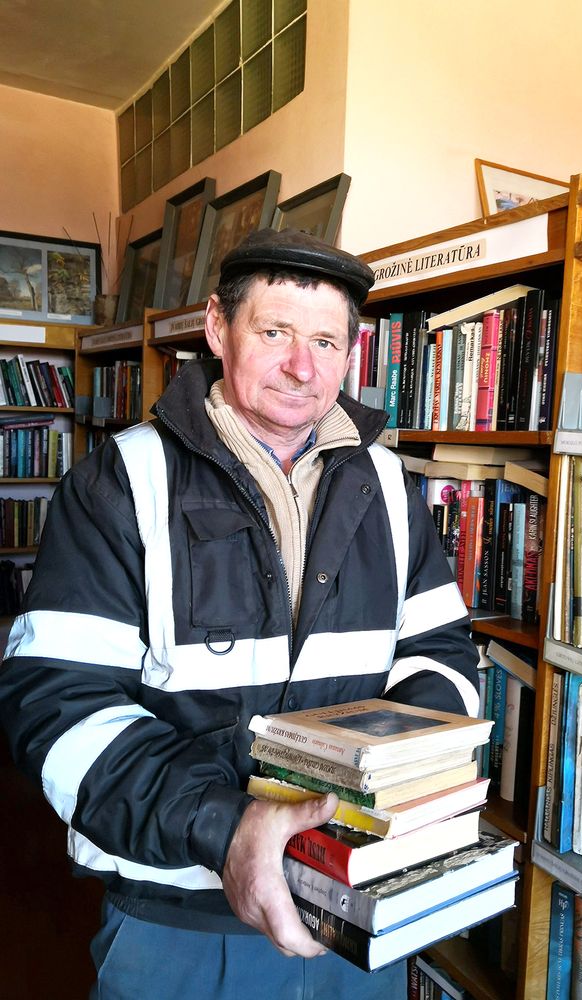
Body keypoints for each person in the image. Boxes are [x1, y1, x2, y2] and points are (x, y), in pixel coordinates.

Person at [0, 228, 480, 999]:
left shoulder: (392, 486)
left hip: (354, 907)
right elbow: (55, 703)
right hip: (175, 920)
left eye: (325, 341)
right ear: (218, 329)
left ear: (350, 355)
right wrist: (227, 828)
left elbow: (442, 653)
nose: (301, 366)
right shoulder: (118, 481)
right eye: (275, 331)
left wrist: (392, 790)